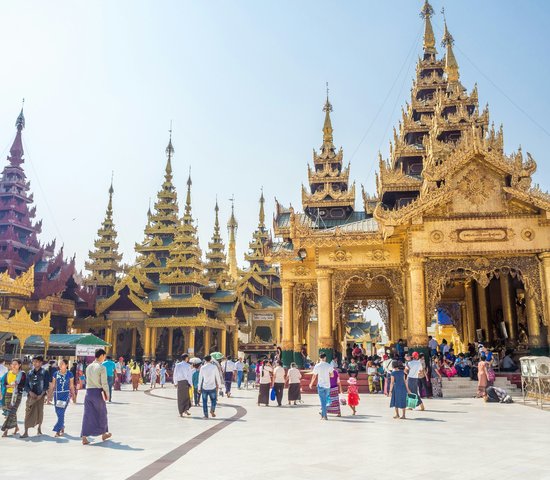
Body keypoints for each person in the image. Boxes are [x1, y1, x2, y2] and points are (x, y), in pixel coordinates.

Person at [81, 349, 111, 445]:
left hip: (88, 393)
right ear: (101, 356)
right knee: (102, 413)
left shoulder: (88, 367)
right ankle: (103, 433)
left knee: (87, 415)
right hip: (98, 393)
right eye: (104, 356)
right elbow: (104, 383)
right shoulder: (101, 368)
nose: (105, 358)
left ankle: (84, 437)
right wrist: (107, 394)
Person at [22, 355, 51, 438]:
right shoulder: (29, 373)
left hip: (40, 397)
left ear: (41, 363)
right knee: (28, 412)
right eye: (34, 361)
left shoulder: (45, 372)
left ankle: (39, 428)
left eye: (37, 361)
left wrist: (41, 395)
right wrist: (30, 392)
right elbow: (26, 385)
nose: (35, 363)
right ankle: (25, 431)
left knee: (39, 412)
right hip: (31, 397)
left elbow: (46, 385)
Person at [50, 359, 75, 437]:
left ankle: (57, 430)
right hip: (57, 395)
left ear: (66, 365)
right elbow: (53, 385)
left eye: (62, 364)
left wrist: (73, 395)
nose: (60, 365)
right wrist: (49, 396)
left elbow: (71, 385)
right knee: (58, 412)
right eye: (59, 364)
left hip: (65, 395)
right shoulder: (55, 374)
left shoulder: (70, 374)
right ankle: (62, 426)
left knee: (61, 412)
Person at [0, 359, 26, 437]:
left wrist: (12, 385)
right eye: (12, 364)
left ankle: (5, 430)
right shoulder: (8, 373)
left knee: (12, 411)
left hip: (17, 395)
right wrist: (11, 386)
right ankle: (16, 427)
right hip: (8, 394)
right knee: (9, 412)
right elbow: (4, 384)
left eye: (16, 364)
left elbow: (22, 385)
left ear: (19, 365)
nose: (14, 366)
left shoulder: (22, 374)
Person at [309, 354, 334, 421]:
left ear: (319, 358)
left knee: (323, 401)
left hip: (321, 385)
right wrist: (327, 375)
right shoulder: (329, 365)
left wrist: (311, 383)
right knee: (325, 401)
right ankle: (323, 414)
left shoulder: (317, 366)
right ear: (325, 358)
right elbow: (332, 375)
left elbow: (314, 376)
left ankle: (324, 416)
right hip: (327, 385)